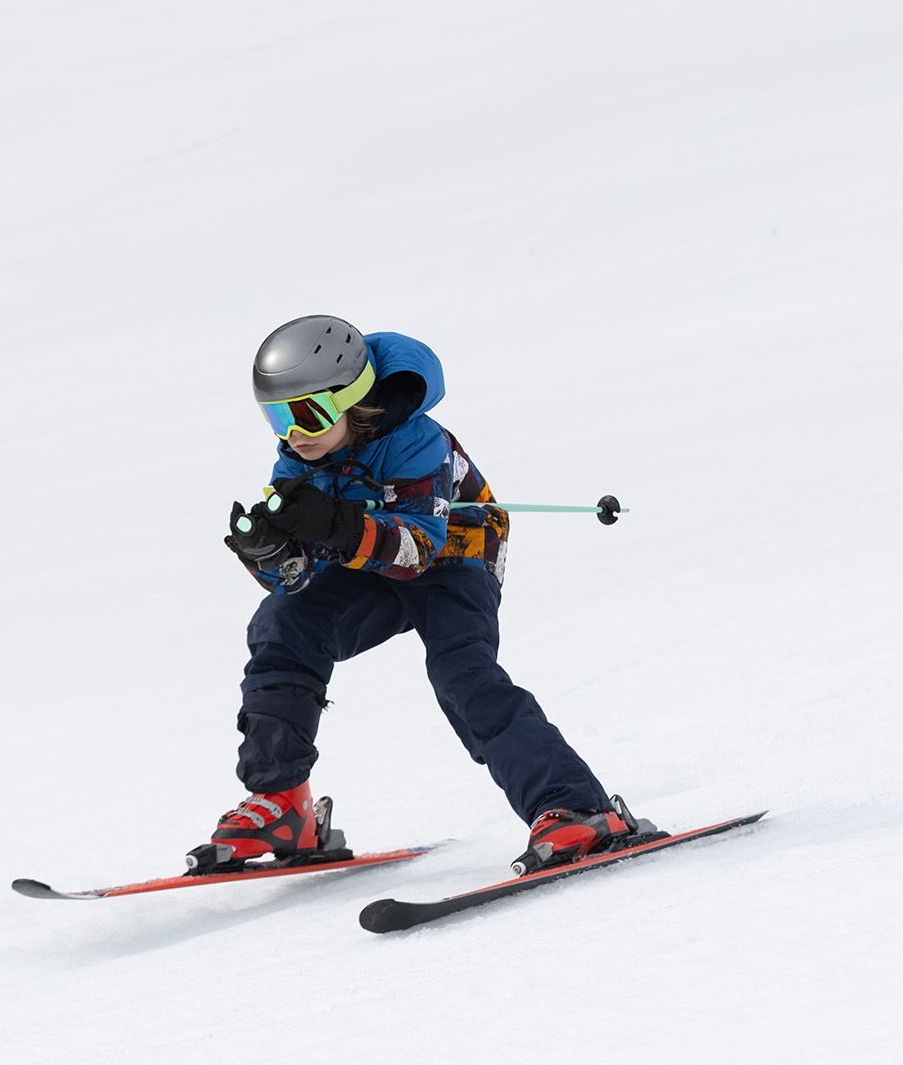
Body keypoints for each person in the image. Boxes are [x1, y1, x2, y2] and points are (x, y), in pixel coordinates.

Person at [196, 315, 641, 877]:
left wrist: (331, 524)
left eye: (307, 412)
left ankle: (577, 807)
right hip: (366, 564)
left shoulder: (416, 442)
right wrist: (270, 554)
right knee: (283, 626)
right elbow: (298, 581)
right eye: (276, 416)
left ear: (350, 401)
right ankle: (283, 804)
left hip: (455, 556)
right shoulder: (296, 462)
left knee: (462, 673)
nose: (294, 432)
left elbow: (416, 553)